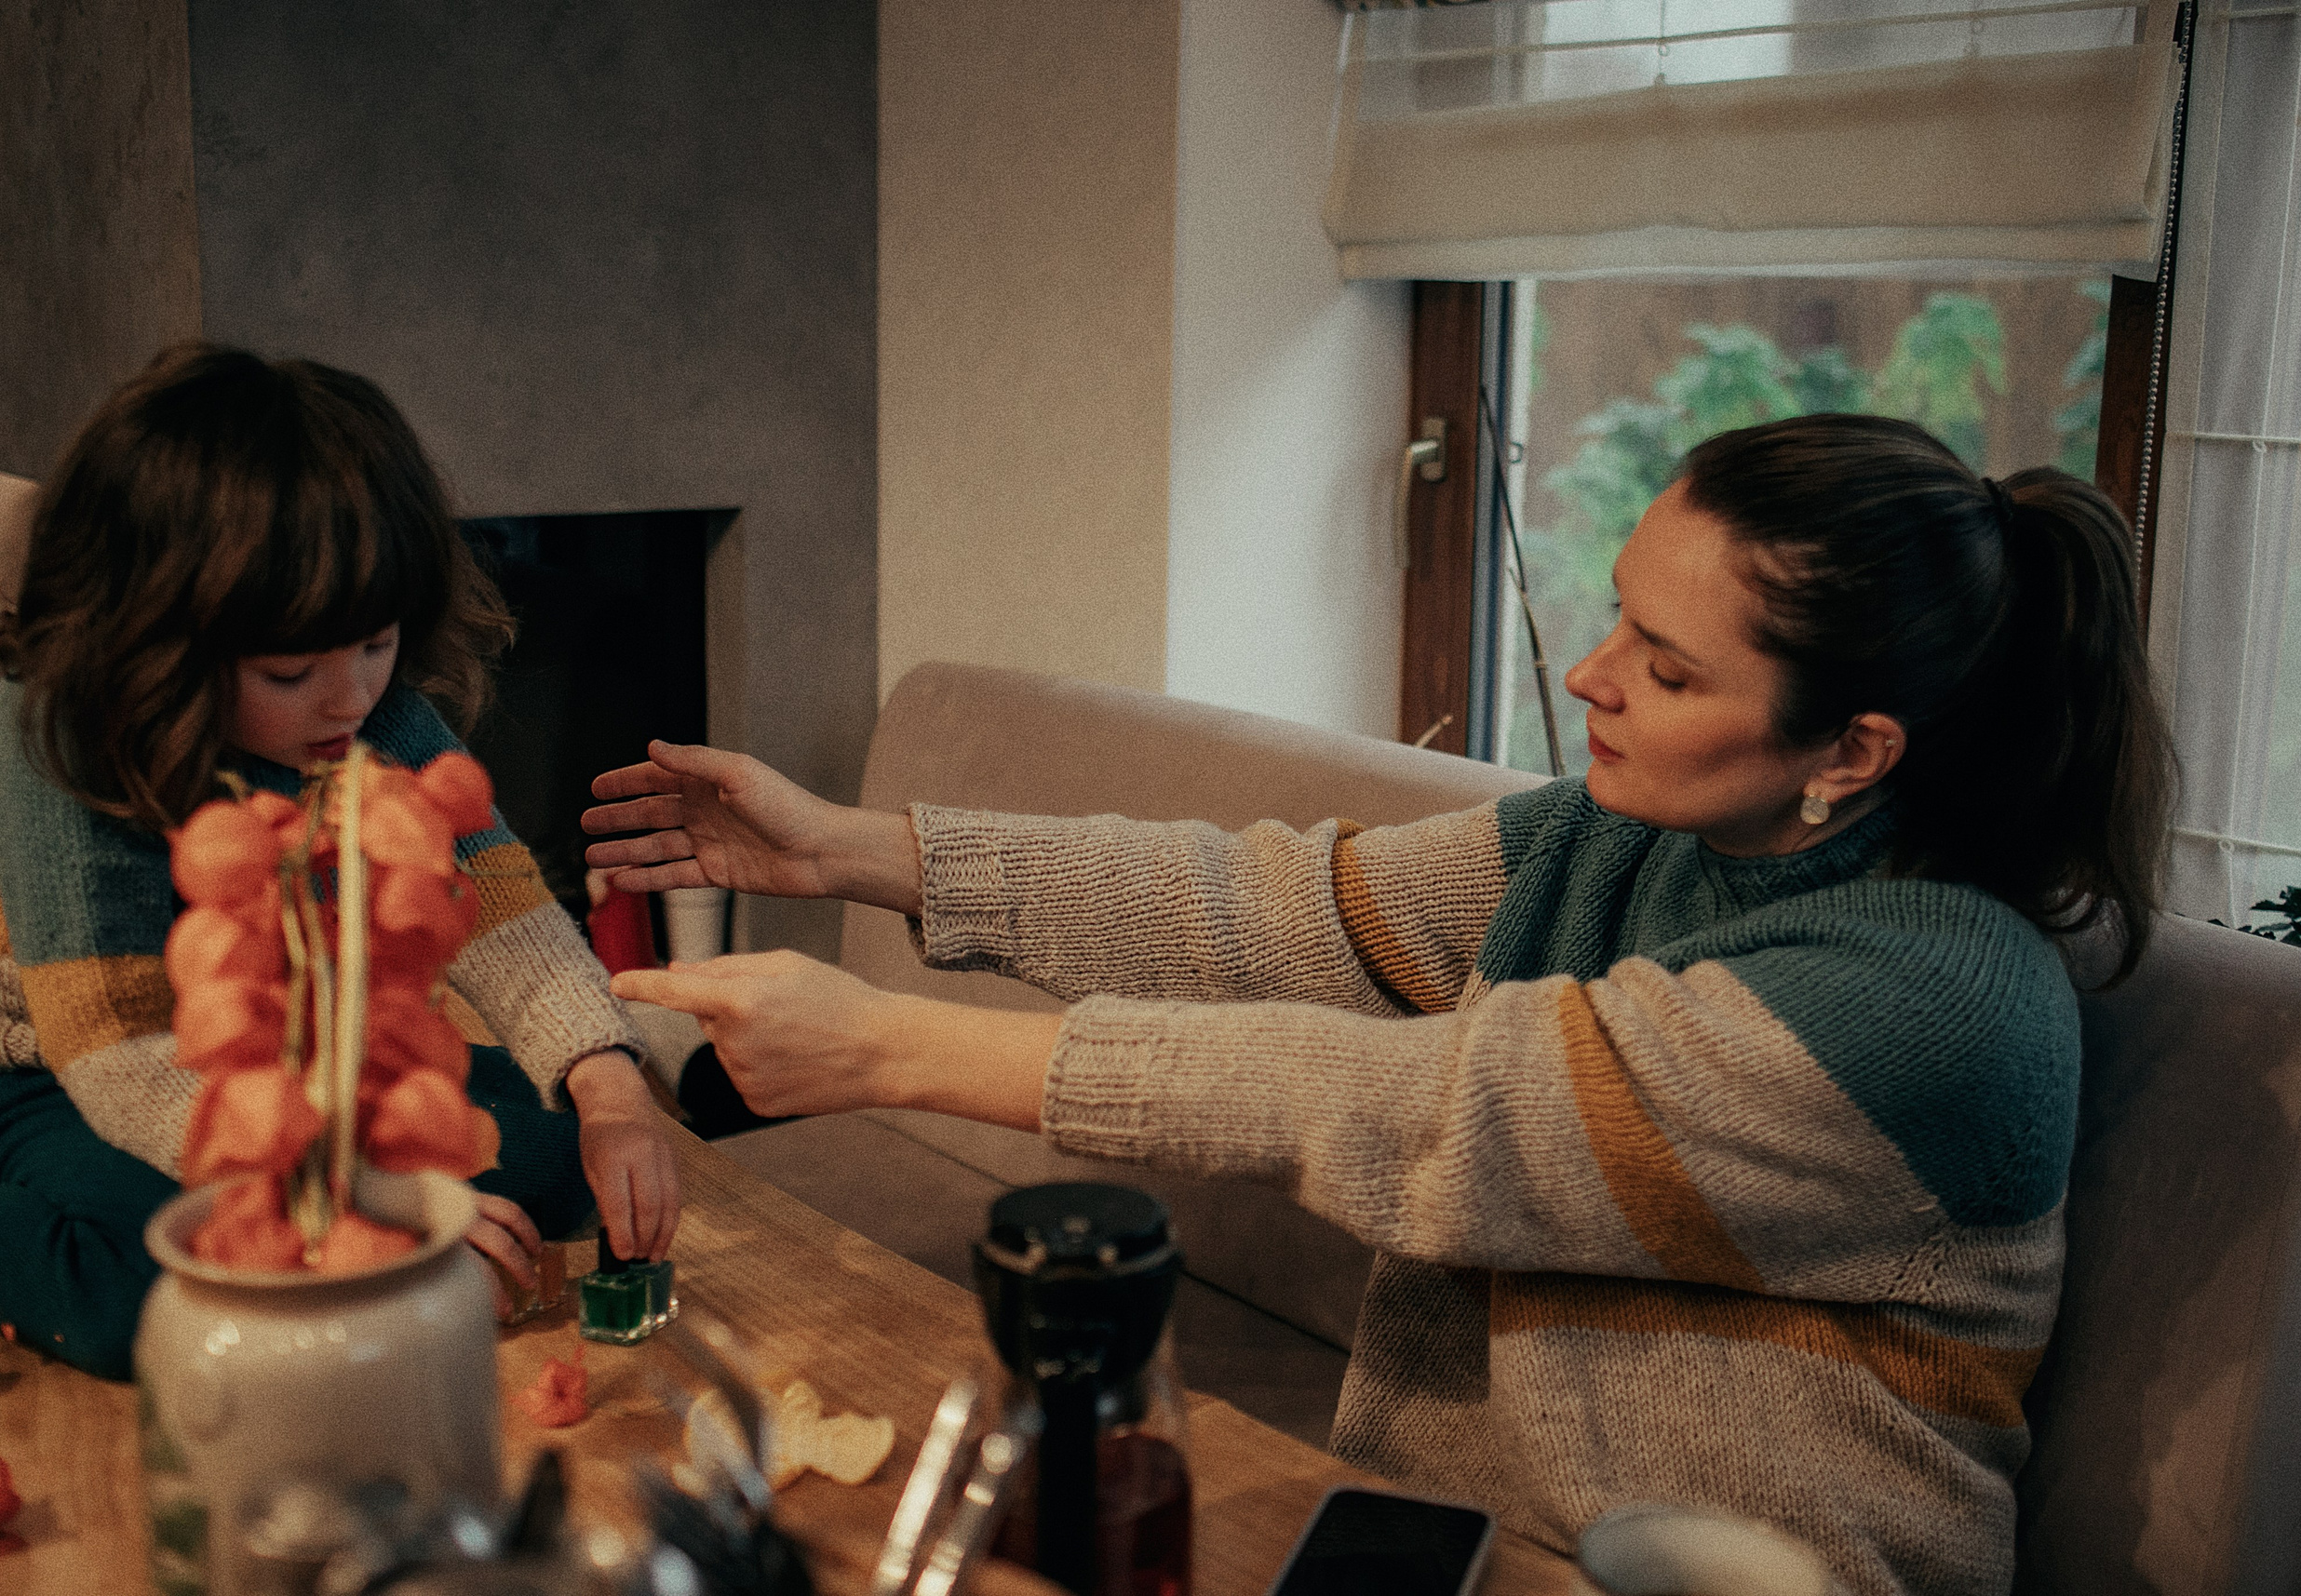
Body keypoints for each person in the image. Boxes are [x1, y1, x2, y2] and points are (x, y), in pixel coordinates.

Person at [586, 415, 2173, 1596]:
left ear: (1855, 751)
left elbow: (1434, 1109)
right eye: (1616, 614)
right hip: (1454, 1544)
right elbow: (1264, 909)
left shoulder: (1940, 1008)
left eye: (1670, 671)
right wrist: (852, 847)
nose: (1595, 678)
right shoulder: (1610, 841)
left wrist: (889, 1049)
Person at [0, 344, 680, 1379]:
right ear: (159, 646)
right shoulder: (60, 749)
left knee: (551, 1165)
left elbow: (499, 907)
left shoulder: (373, 712)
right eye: (289, 670)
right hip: (56, 1071)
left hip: (284, 1049)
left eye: (377, 645)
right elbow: (119, 1055)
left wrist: (608, 1084)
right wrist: (354, 1192)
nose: (351, 698)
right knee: (147, 1286)